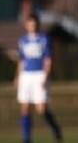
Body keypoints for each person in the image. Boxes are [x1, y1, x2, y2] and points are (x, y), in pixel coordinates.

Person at [14, 12, 63, 143]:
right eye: (30, 24)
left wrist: (46, 75)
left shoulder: (44, 39)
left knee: (41, 108)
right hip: (26, 75)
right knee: (25, 108)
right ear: (26, 25)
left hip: (39, 74)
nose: (32, 26)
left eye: (34, 24)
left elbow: (48, 58)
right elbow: (21, 60)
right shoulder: (23, 40)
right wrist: (18, 76)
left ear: (38, 24)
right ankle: (27, 138)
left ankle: (56, 129)